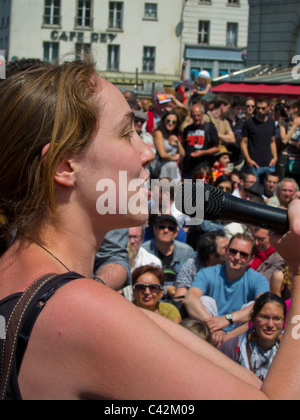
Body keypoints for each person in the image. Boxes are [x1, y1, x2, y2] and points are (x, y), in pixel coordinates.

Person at [3, 57, 300, 401]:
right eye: (127, 133)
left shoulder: (55, 290)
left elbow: (254, 386)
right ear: (65, 166)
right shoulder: (78, 309)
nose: (146, 152)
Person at [184, 233, 270, 347]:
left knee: (255, 305)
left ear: (251, 259)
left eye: (243, 255)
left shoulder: (258, 279)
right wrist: (214, 326)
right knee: (205, 300)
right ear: (226, 251)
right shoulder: (208, 273)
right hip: (210, 330)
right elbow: (190, 299)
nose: (237, 257)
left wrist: (227, 320)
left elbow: (264, 306)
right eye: (233, 251)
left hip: (240, 334)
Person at [220, 293, 286, 382]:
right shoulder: (232, 347)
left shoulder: (293, 351)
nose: (270, 324)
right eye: (264, 317)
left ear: (284, 321)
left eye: (276, 318)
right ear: (253, 318)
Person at [142, 215, 194, 300]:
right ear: (155, 230)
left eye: (171, 228)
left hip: (179, 297)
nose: (166, 230)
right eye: (162, 227)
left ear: (176, 233)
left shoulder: (187, 252)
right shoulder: (144, 250)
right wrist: (166, 290)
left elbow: (190, 280)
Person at [240, 96, 277, 183]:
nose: (260, 110)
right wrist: (248, 159)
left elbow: (272, 141)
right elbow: (243, 142)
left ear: (268, 108)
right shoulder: (248, 123)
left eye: (263, 108)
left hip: (269, 163)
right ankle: (199, 196)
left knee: (270, 191)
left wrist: (275, 157)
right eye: (258, 108)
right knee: (254, 191)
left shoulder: (271, 123)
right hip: (254, 164)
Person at [181, 103, 220, 179]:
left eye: (198, 115)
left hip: (202, 168)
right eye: (194, 116)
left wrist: (203, 152)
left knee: (199, 190)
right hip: (188, 168)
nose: (196, 118)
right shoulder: (187, 129)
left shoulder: (210, 128)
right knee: (187, 190)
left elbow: (217, 148)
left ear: (202, 114)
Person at [153, 110, 185, 180]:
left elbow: (182, 154)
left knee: (175, 190)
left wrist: (178, 142)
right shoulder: (159, 133)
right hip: (163, 168)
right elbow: (162, 154)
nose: (170, 123)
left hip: (174, 169)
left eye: (174, 122)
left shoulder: (176, 135)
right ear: (164, 121)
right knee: (163, 190)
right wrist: (175, 158)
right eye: (168, 120)